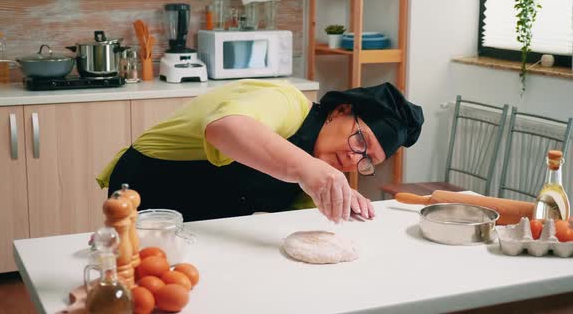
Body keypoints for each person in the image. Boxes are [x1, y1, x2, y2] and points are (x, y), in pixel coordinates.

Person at [97, 79, 423, 223]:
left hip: (210, 220)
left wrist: (339, 208)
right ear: (340, 111)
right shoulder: (285, 100)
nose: (355, 158)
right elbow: (225, 128)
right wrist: (308, 170)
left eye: (367, 161)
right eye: (360, 141)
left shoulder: (320, 165)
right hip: (152, 190)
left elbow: (299, 226)